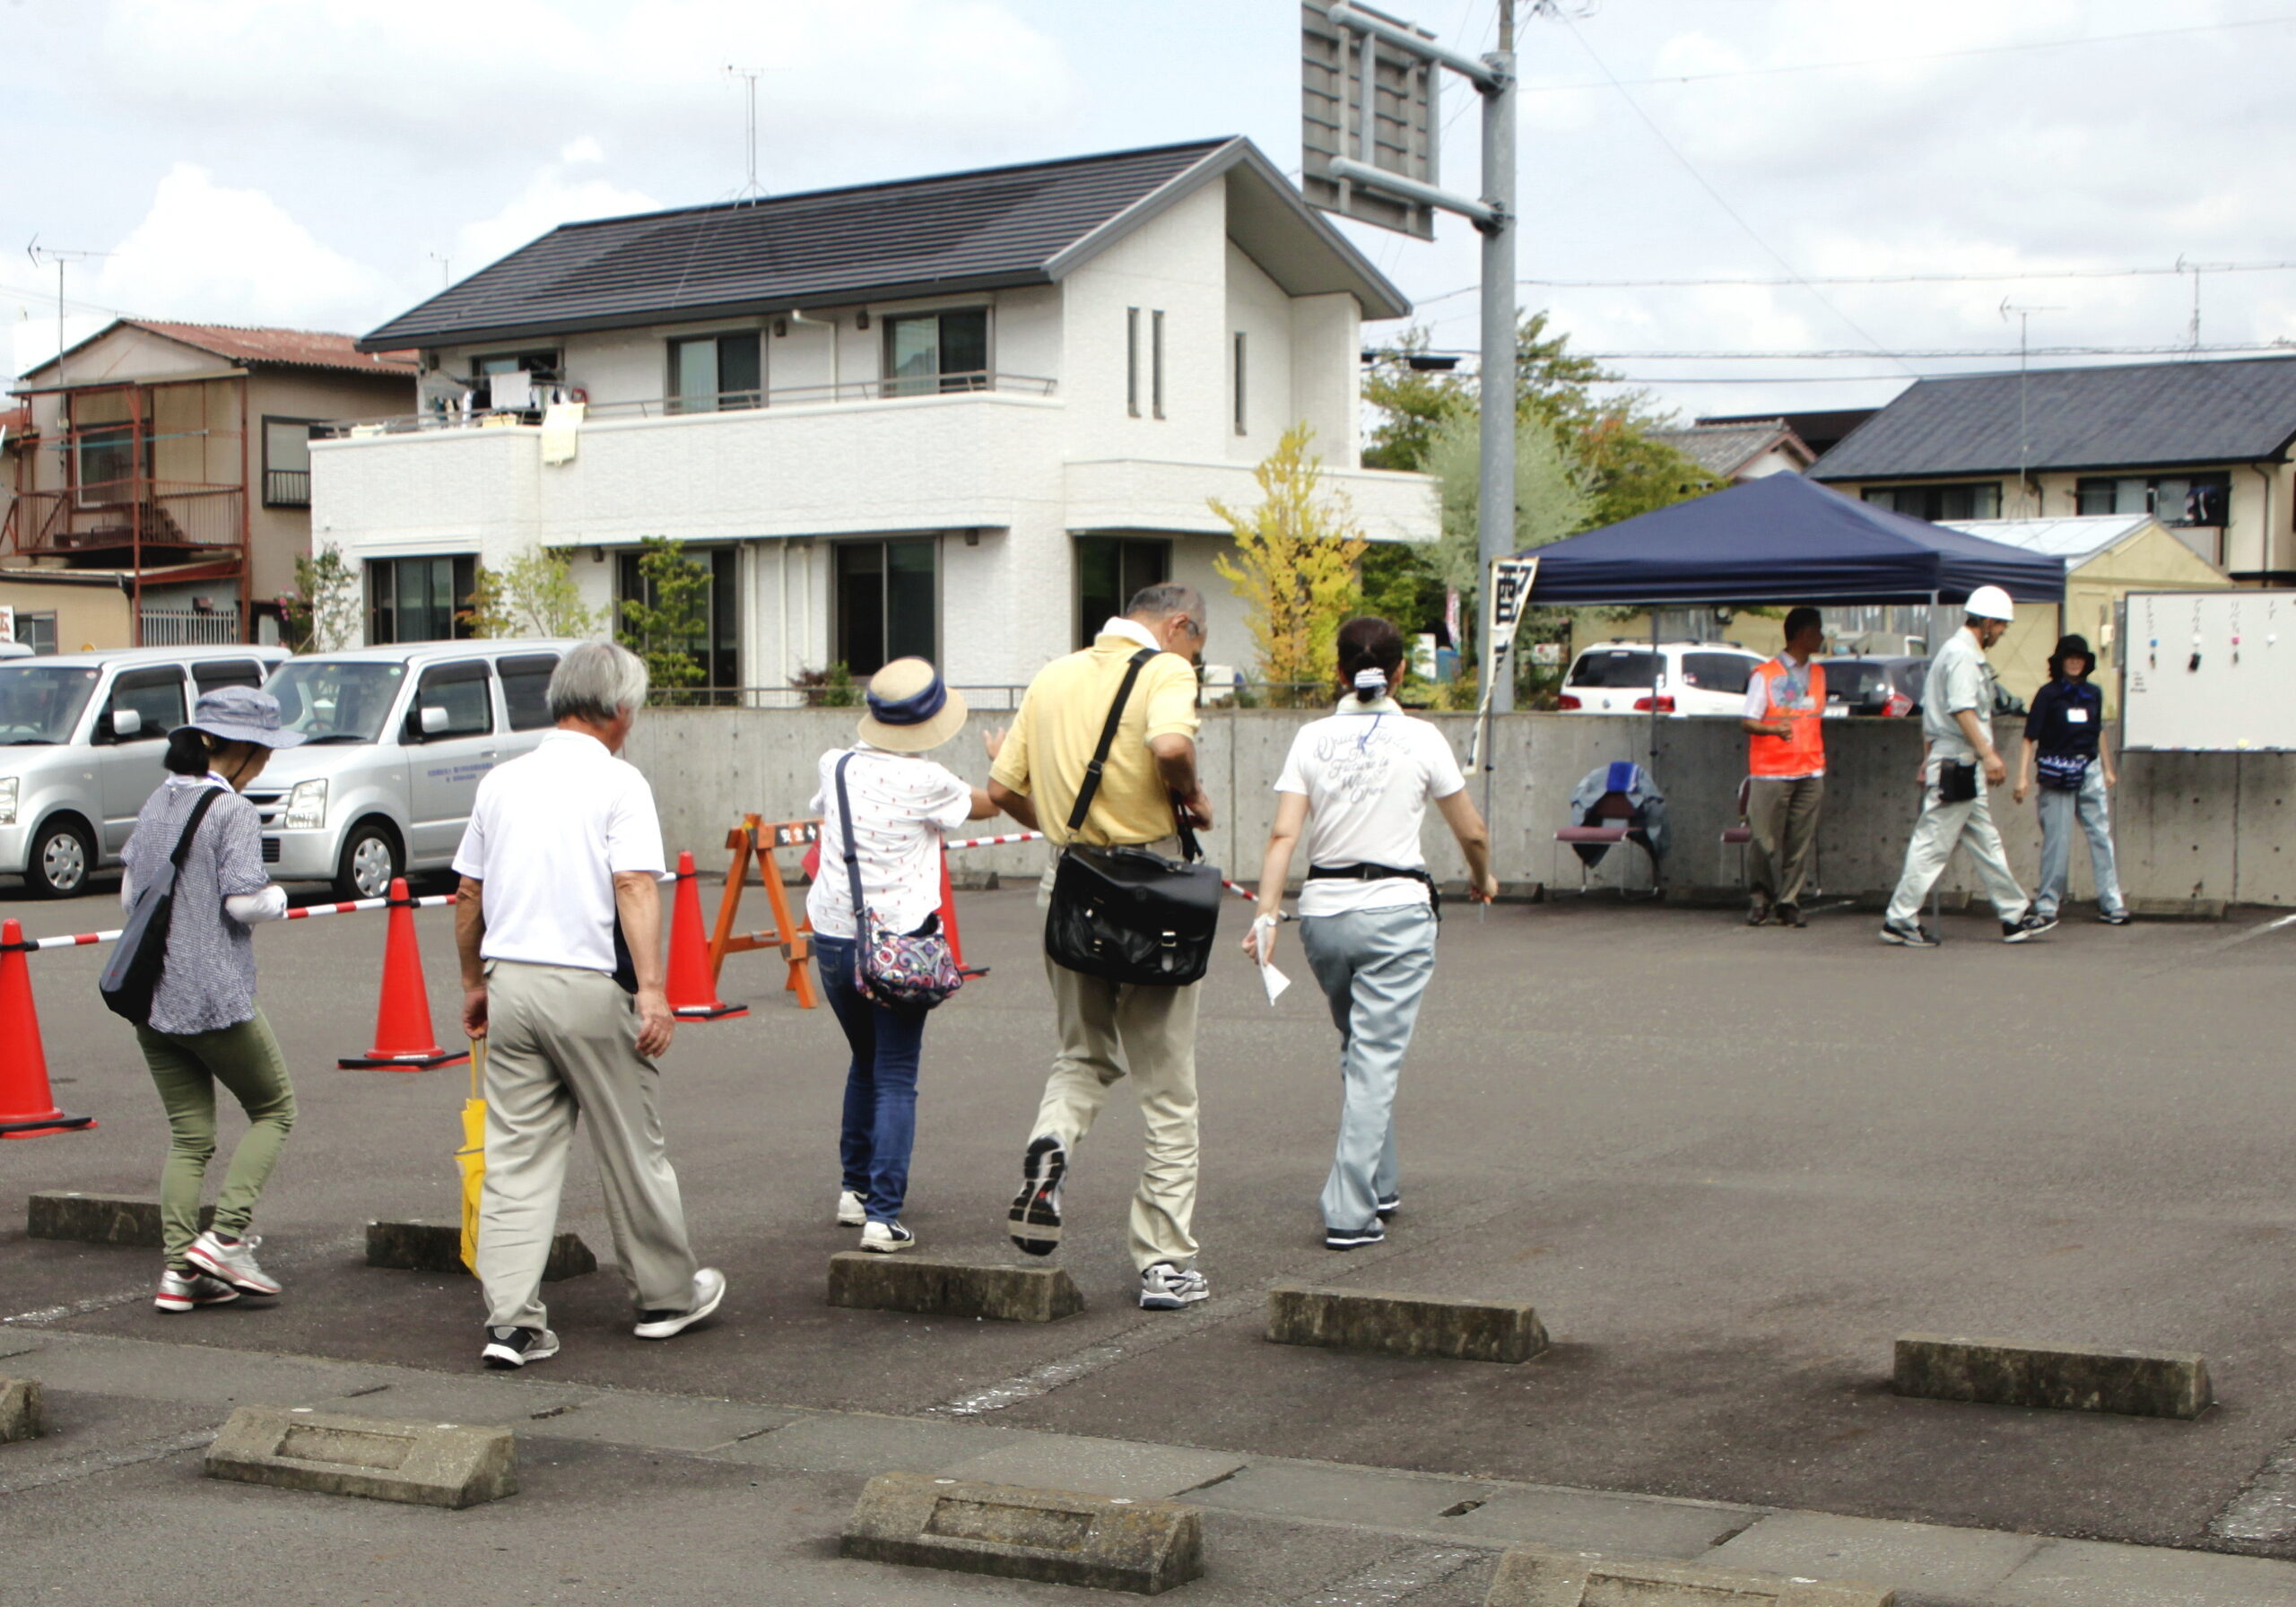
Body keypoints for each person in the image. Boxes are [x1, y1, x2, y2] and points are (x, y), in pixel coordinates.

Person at [453, 641, 724, 1370]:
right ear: (618, 709)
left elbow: (469, 893)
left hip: (511, 983)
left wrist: (474, 983)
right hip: (588, 985)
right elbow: (635, 884)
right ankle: (666, 1296)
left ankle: (512, 1323)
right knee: (633, 1148)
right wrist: (655, 990)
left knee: (516, 1158)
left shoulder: (501, 782)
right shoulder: (619, 783)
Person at [986, 582, 1217, 1311]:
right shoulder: (1165, 671)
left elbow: (1000, 788)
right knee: (1167, 1087)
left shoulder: (1053, 675)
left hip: (1071, 886)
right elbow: (1172, 743)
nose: (1195, 663)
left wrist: (1059, 825)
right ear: (1178, 626)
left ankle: (1048, 1156)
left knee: (1082, 1056)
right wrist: (1191, 797)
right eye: (1198, 648)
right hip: (1152, 895)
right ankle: (1164, 1263)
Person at [1242, 617, 1497, 1250]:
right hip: (1397, 914)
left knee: (1360, 1048)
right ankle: (1350, 1209)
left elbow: (1283, 836)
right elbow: (1472, 832)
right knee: (1376, 1059)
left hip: (1324, 916)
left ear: (1337, 671)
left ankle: (1380, 1183)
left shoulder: (1311, 738)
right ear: (1400, 672)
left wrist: (1266, 916)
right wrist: (1482, 876)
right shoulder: (1422, 737)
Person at [807, 656, 999, 1254]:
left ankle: (854, 1190)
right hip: (900, 945)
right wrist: (1002, 765)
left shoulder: (834, 764)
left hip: (835, 935)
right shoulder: (931, 782)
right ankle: (883, 1216)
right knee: (895, 1075)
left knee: (865, 1060)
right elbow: (989, 804)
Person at [123, 687, 303, 1315]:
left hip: (149, 997)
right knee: (276, 1108)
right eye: (266, 752)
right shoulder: (232, 812)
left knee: (189, 1134)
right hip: (211, 994)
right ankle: (225, 1238)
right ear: (245, 752)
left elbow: (129, 897)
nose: (268, 763)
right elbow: (243, 903)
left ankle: (181, 1272)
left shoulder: (157, 801)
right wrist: (279, 900)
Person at [1880, 586, 2052, 947]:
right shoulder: (1962, 656)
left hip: (1955, 759)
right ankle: (1900, 918)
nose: (2003, 632)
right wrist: (1988, 753)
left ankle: (2014, 914)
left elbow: (1932, 712)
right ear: (1987, 622)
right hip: (1960, 760)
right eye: (2002, 625)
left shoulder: (1955, 653)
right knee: (1932, 844)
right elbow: (1961, 709)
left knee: (1984, 841)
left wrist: (1929, 758)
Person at [2014, 633, 2129, 926]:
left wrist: (2107, 767)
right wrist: (2022, 776)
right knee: (2058, 839)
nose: (2075, 663)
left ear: (2086, 662)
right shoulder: (2048, 694)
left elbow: (2097, 730)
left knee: (2101, 835)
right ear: (2061, 661)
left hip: (2088, 767)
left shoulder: (2094, 693)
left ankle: (2111, 901)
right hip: (2057, 773)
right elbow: (2030, 736)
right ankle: (2048, 903)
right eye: (2070, 658)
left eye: (2079, 658)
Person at [1739, 606, 1829, 928]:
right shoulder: (1765, 674)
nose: (1822, 637)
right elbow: (1748, 722)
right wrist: (1773, 730)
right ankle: (1760, 898)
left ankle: (1789, 901)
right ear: (1803, 634)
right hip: (1771, 771)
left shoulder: (1818, 674)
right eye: (1818, 631)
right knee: (1764, 841)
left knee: (1799, 843)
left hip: (1810, 768)